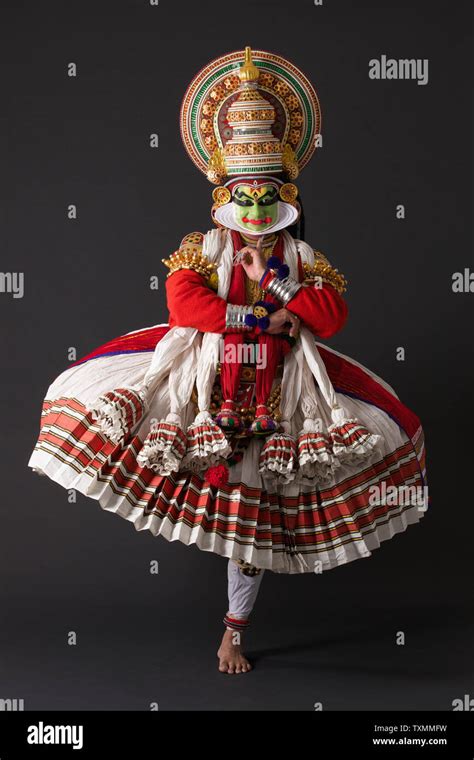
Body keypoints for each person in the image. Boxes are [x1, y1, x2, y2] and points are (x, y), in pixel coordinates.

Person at [28, 47, 428, 675]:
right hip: (207, 383)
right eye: (245, 191)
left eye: (267, 191)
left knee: (252, 525)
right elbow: (186, 305)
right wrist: (261, 318)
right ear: (226, 189)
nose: (256, 204)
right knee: (180, 474)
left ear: (285, 191)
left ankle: (232, 633)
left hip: (281, 393)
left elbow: (330, 317)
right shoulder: (205, 245)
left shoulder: (299, 258)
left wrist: (277, 287)